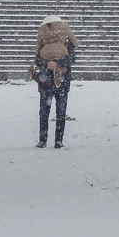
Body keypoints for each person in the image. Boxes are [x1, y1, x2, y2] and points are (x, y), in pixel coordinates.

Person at [33, 14, 79, 148]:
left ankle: (48, 140)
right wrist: (54, 63)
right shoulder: (65, 41)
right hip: (57, 79)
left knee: (47, 111)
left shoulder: (45, 43)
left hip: (47, 78)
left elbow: (37, 58)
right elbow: (72, 58)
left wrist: (54, 63)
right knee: (57, 110)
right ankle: (51, 140)